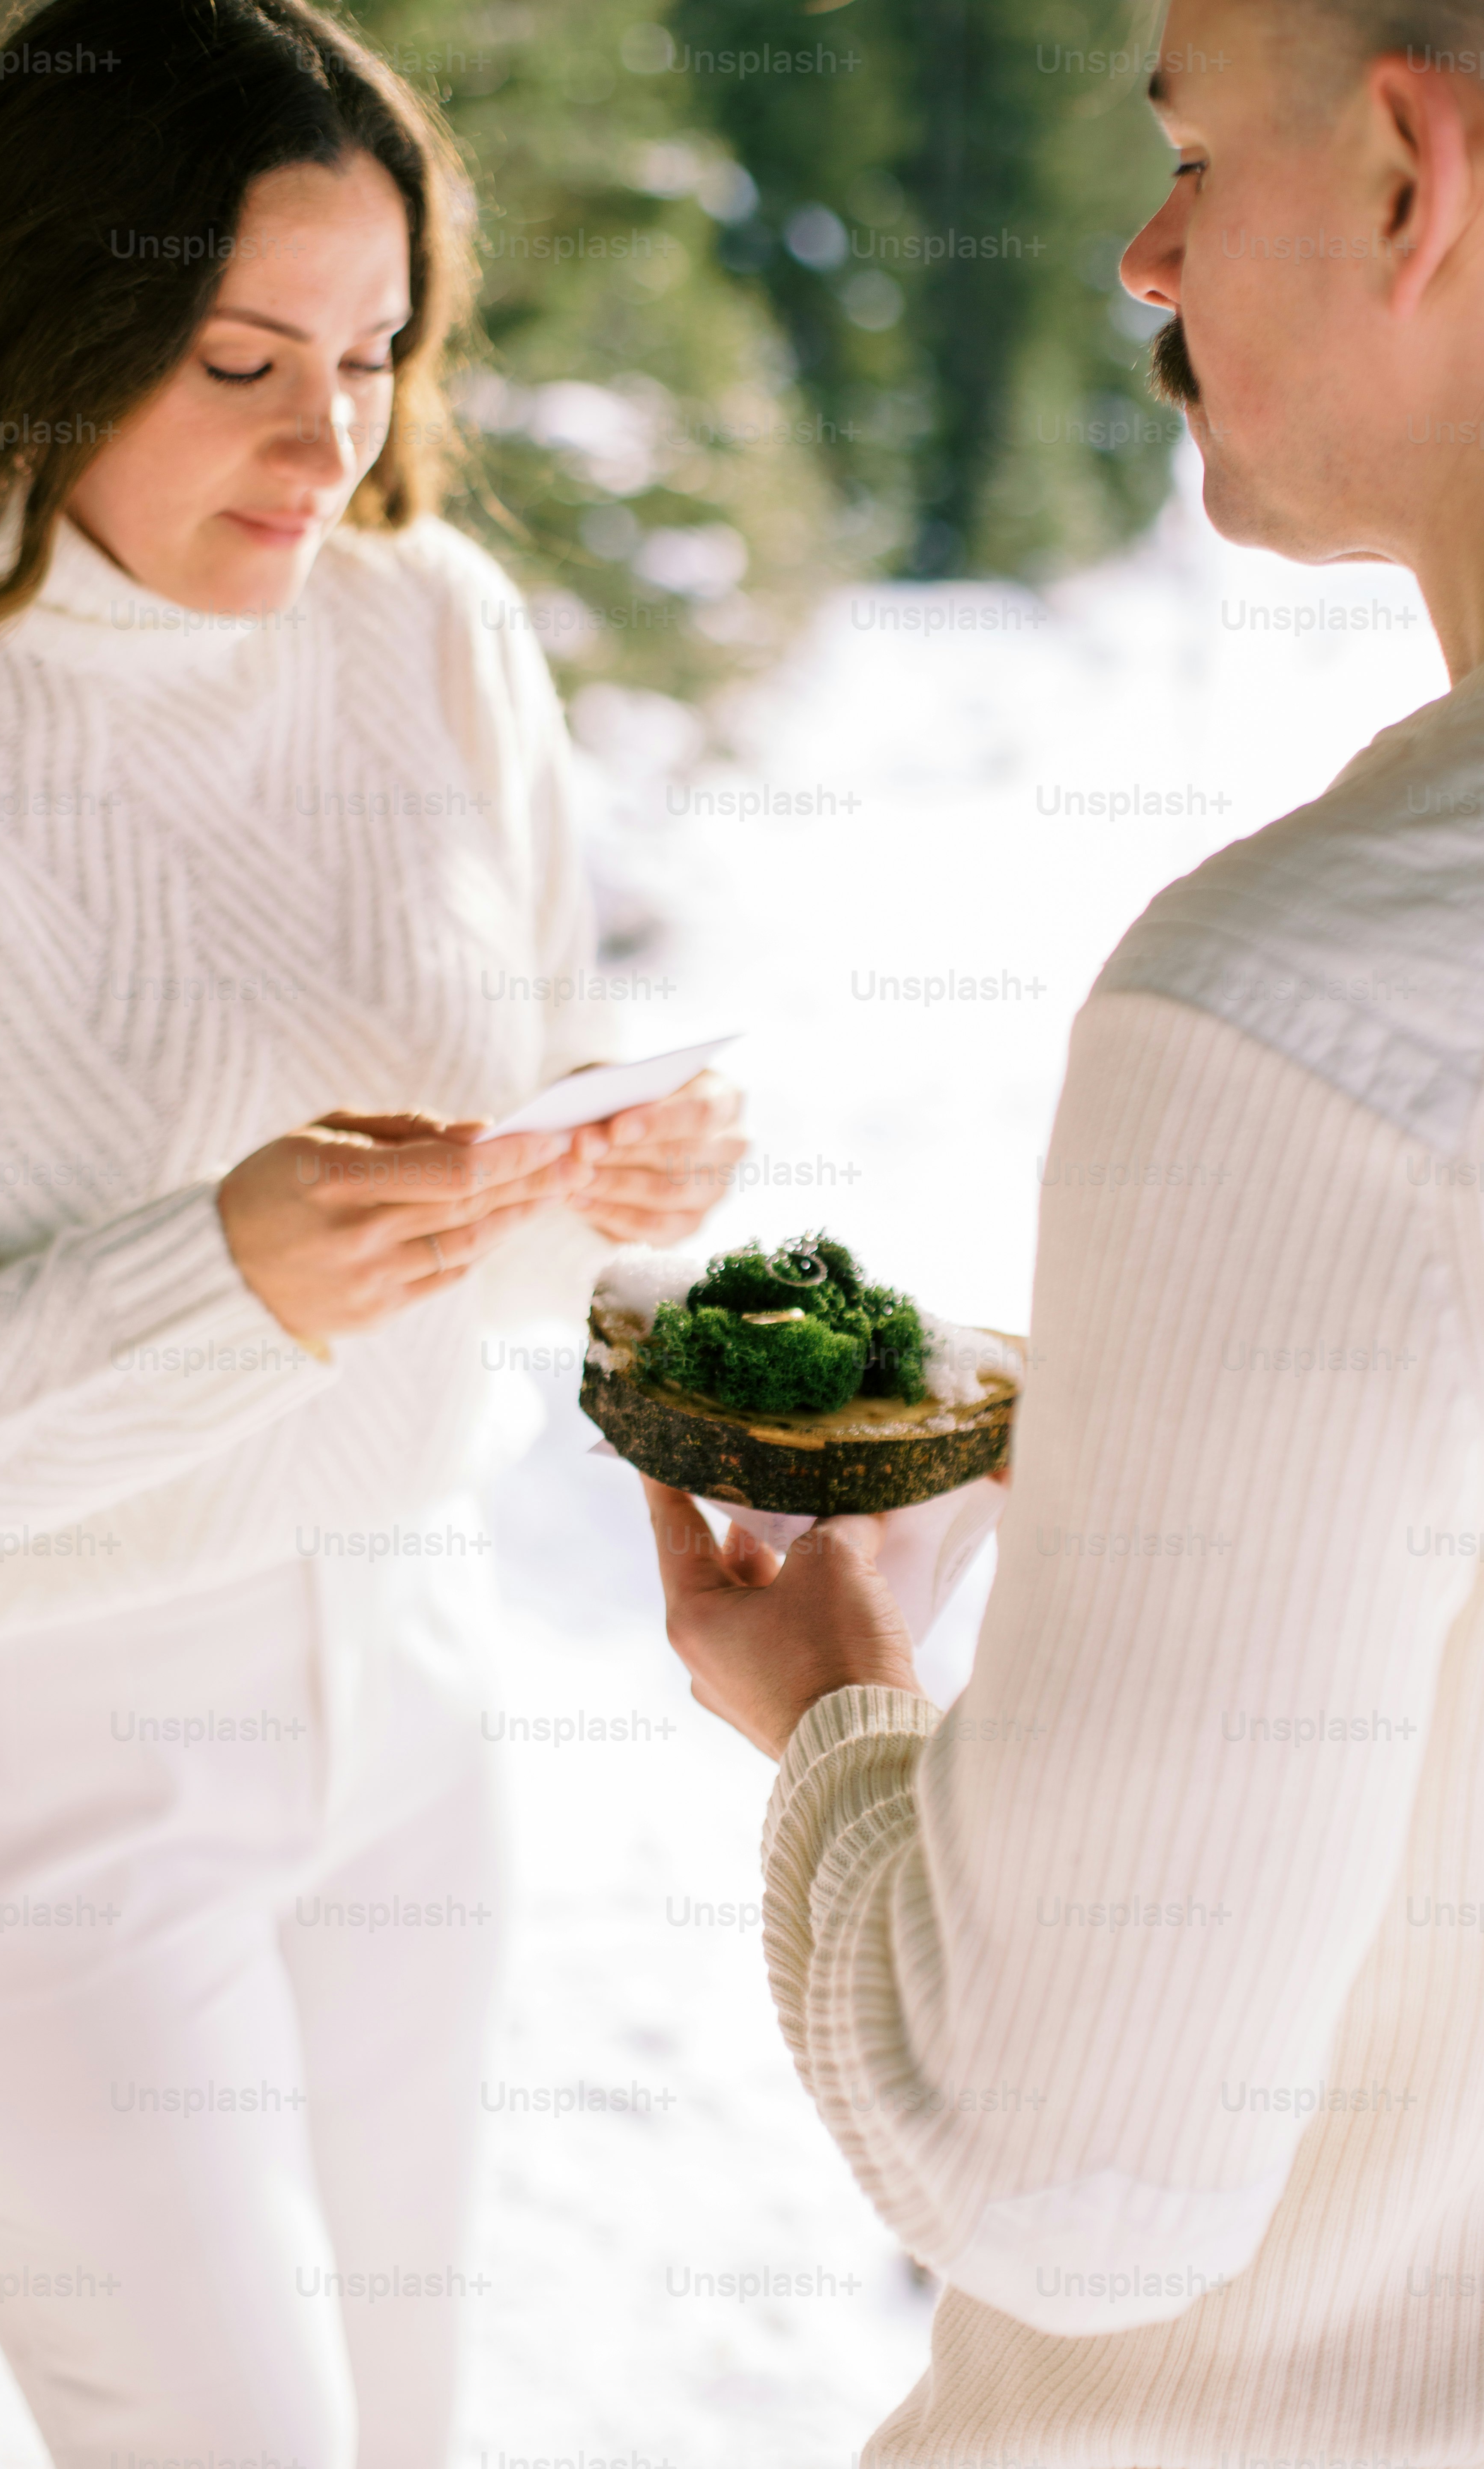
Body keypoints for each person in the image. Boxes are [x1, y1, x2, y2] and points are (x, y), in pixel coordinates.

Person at [0, 3, 743, 2464]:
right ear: (36, 314)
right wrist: (210, 1278)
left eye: (368, 352)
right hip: (11, 1767)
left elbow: (508, 1174)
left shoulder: (426, 631)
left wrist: (607, 1195)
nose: (329, 436)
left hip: (401, 1696)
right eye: (241, 356)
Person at [646, 4, 1484, 2463]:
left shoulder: (1317, 1015)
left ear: (1419, 177)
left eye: (1203, 157)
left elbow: (1075, 2170)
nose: (1144, 249)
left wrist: (833, 1703)